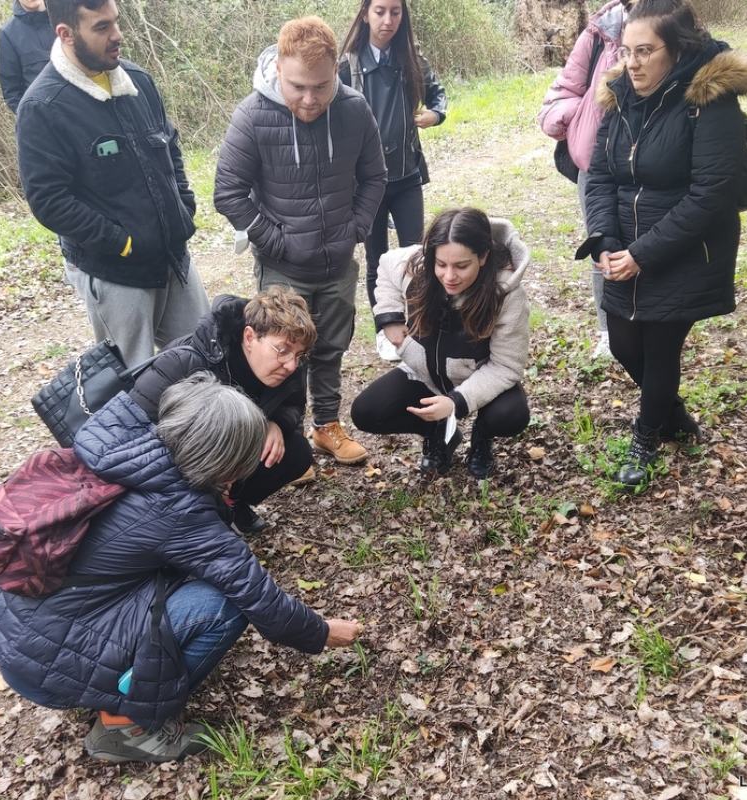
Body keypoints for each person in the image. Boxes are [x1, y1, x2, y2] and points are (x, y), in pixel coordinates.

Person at [0, 375, 363, 763]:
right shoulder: (180, 512)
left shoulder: (121, 442)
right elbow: (261, 599)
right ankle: (125, 727)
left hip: (18, 632)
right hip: (45, 661)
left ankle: (103, 680)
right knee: (223, 605)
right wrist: (323, 631)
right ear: (224, 460)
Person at [578, 0, 747, 488]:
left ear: (676, 51)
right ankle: (674, 415)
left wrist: (643, 255)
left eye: (645, 51)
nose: (632, 63)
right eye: (626, 50)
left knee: (659, 350)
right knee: (621, 344)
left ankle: (646, 434)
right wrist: (606, 240)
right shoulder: (619, 96)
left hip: (684, 251)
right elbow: (597, 176)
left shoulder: (709, 103)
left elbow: (711, 195)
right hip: (626, 249)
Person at [214, 16, 387, 471]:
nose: (309, 99)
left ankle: (327, 425)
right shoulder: (253, 115)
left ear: (335, 73)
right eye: (297, 87)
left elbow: (375, 176)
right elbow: (227, 191)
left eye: (321, 87)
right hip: (282, 268)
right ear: (278, 72)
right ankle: (285, 441)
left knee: (330, 346)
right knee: (279, 354)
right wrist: (277, 240)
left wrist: (357, 228)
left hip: (337, 263)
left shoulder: (354, 109)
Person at [17, 0, 210, 368]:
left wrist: (183, 208)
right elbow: (49, 200)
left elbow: (170, 147)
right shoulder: (43, 107)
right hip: (116, 273)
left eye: (116, 23)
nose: (117, 36)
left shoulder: (138, 81)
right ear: (66, 34)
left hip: (174, 258)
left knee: (206, 358)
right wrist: (121, 244)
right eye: (102, 27)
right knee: (133, 382)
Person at [351, 208, 531, 480]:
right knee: (366, 412)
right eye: (441, 264)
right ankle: (438, 432)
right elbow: (385, 265)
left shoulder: (505, 293)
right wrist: (389, 317)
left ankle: (481, 439)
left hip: (476, 374)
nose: (449, 276)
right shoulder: (418, 267)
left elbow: (506, 366)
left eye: (461, 266)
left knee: (511, 415)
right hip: (424, 373)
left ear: (482, 257)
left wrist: (456, 402)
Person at [129, 286, 316, 534]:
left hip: (227, 459)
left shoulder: (290, 363)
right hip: (178, 464)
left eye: (299, 354)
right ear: (250, 338)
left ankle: (231, 506)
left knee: (296, 451)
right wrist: (211, 474)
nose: (292, 364)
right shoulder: (187, 361)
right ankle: (191, 519)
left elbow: (293, 404)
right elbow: (132, 426)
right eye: (282, 350)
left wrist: (277, 424)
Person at [339, 0, 447, 363]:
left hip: (406, 176)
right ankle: (385, 329)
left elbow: (437, 94)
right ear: (366, 13)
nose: (387, 20)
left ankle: (420, 324)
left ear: (404, 17)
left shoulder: (411, 59)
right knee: (377, 259)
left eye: (395, 12)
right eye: (380, 11)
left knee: (416, 254)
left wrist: (435, 114)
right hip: (366, 183)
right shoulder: (346, 65)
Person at [538, 0, 638, 361]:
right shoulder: (600, 30)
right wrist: (579, 117)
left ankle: (653, 326)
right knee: (603, 242)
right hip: (596, 164)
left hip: (651, 160)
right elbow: (563, 89)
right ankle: (609, 330)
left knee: (647, 240)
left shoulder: (672, 24)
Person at [0, 0, 56, 113]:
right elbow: (12, 92)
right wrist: (32, 119)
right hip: (44, 123)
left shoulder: (66, 16)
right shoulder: (9, 33)